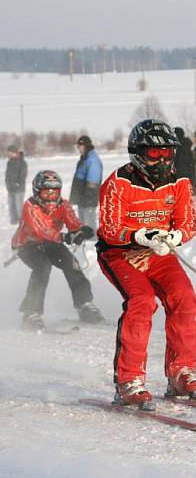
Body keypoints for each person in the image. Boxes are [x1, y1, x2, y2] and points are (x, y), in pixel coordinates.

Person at [97, 119, 196, 410]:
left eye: (168, 153)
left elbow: (189, 221)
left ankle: (181, 371)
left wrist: (176, 236)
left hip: (159, 252)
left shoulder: (179, 181)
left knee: (185, 298)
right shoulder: (118, 183)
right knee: (142, 301)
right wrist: (139, 236)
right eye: (156, 154)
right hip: (120, 254)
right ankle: (128, 381)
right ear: (138, 152)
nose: (163, 159)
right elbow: (109, 228)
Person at [11, 170, 102, 332]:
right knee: (42, 266)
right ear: (38, 192)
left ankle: (84, 304)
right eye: (47, 192)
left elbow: (72, 221)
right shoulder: (30, 206)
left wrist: (81, 230)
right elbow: (41, 230)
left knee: (71, 263)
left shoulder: (63, 205)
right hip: (27, 244)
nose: (51, 197)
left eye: (55, 192)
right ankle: (31, 312)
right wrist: (66, 237)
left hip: (51, 242)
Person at [69, 135, 103, 229]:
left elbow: (93, 183)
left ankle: (92, 242)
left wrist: (88, 199)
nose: (78, 149)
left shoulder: (93, 160)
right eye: (78, 146)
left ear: (86, 146)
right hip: (82, 198)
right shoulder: (85, 158)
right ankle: (85, 241)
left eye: (80, 146)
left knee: (89, 225)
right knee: (83, 225)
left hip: (88, 199)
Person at [5, 145, 27, 224]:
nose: (9, 154)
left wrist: (18, 183)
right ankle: (13, 221)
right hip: (10, 188)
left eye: (10, 153)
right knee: (11, 206)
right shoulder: (10, 162)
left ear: (15, 152)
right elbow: (8, 174)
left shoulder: (21, 162)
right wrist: (8, 184)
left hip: (18, 188)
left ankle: (22, 222)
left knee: (19, 206)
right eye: (8, 153)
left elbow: (23, 174)